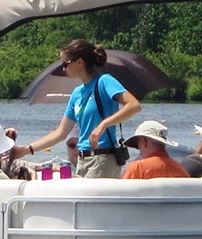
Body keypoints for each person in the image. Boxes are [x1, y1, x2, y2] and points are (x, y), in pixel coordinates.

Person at [18, 40, 142, 178]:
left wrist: (103, 124)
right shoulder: (77, 93)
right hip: (82, 161)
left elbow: (134, 105)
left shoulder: (104, 81)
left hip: (103, 159)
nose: (63, 69)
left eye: (66, 63)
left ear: (79, 62)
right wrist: (26, 149)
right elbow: (60, 132)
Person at [120, 120, 190, 179]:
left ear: (144, 141)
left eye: (138, 144)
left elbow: (122, 193)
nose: (139, 150)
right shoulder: (180, 169)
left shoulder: (137, 168)